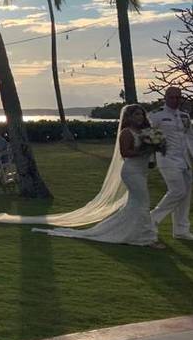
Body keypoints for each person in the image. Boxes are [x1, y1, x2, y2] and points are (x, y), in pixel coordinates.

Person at [30, 105, 163, 248]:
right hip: (131, 172)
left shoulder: (146, 132)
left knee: (136, 203)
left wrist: (152, 151)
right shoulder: (126, 132)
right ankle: (145, 237)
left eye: (141, 115)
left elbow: (147, 153)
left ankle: (132, 232)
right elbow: (125, 153)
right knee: (142, 202)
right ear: (129, 117)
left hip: (142, 171)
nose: (140, 117)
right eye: (136, 114)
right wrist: (144, 150)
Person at [149, 87, 193, 241]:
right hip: (166, 158)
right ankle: (152, 219)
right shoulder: (156, 115)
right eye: (172, 97)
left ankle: (181, 230)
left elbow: (191, 137)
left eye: (178, 97)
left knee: (185, 195)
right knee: (178, 190)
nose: (175, 100)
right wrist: (151, 159)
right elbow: (149, 137)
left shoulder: (184, 116)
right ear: (165, 98)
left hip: (184, 160)